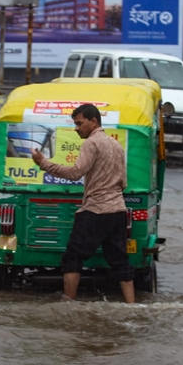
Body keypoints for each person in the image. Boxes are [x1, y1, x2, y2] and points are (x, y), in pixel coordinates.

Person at [31, 103, 135, 304]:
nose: (76, 128)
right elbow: (123, 182)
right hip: (118, 211)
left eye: (79, 123)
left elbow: (75, 173)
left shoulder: (91, 143)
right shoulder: (116, 145)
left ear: (93, 121)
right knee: (120, 261)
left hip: (95, 210)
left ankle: (68, 304)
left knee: (73, 258)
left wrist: (43, 163)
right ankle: (132, 305)